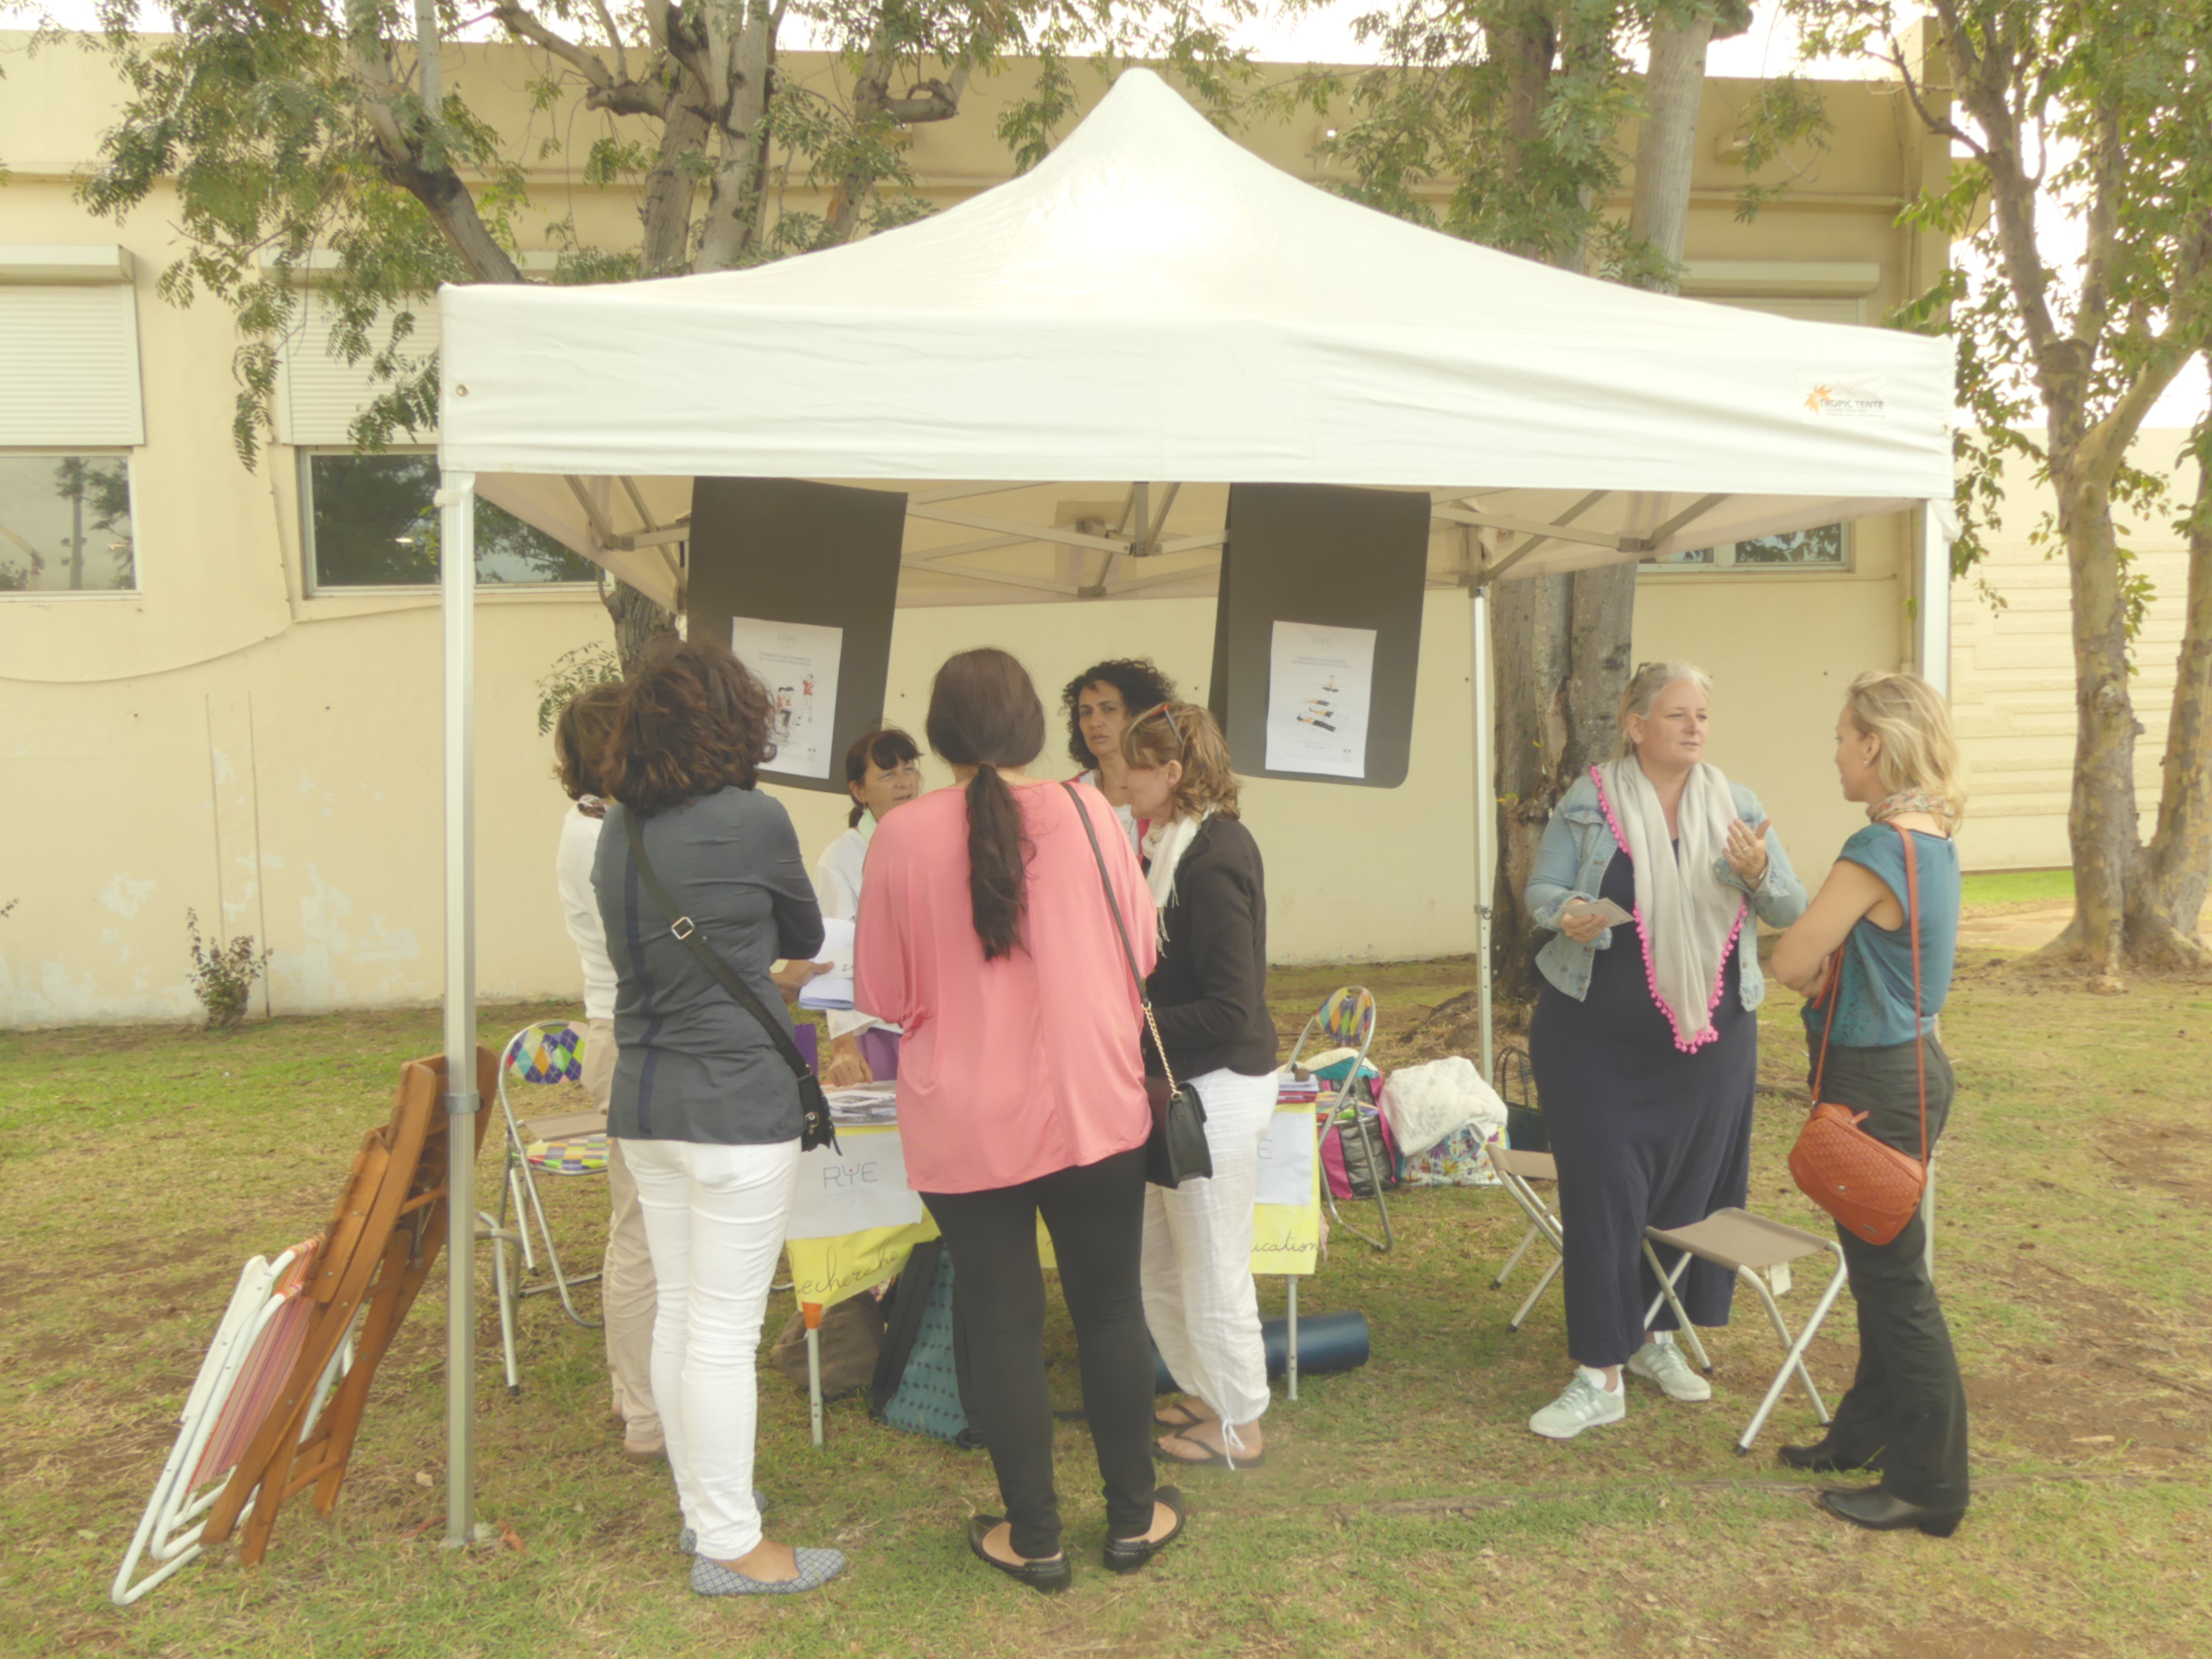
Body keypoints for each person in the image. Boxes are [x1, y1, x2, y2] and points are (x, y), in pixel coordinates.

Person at [855, 648, 1183, 1592]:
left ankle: (1035, 1537)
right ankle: (1132, 1519)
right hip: (1094, 1107)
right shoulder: (1093, 814)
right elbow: (1145, 949)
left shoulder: (904, 837)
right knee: (1110, 1310)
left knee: (1001, 1323)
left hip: (966, 1122)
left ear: (943, 734)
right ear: (1037, 725)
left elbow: (881, 990)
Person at [594, 638, 846, 1597]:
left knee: (682, 1316)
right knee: (721, 1332)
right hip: (734, 1107)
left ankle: (708, 1517)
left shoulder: (619, 827)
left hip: (649, 1105)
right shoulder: (755, 819)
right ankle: (734, 1544)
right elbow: (806, 936)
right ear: (736, 724)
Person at [1523, 661, 1807, 1441]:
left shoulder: (1737, 805)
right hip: (1592, 1041)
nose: (1693, 727)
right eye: (1677, 714)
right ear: (1636, 724)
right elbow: (1540, 894)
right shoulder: (1589, 803)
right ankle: (1598, 1372)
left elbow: (1790, 906)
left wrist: (1757, 875)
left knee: (1686, 1195)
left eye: (1703, 716)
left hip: (1709, 1044)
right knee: (1603, 1193)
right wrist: (1572, 911)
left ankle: (1655, 1337)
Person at [1771, 670, 1969, 1537]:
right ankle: (1866, 1435)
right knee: (1884, 1272)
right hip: (1914, 1065)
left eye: (1844, 738)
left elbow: (1791, 962)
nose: (1838, 753)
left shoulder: (1878, 848)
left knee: (1895, 1287)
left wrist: (1808, 948)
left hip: (1876, 1080)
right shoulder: (1935, 841)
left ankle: (1930, 1485)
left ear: (1875, 746)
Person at [1115, 702, 1280, 1473]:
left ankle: (1241, 1421)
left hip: (1215, 1089)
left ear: (1172, 774)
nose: (1120, 778)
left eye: (1131, 764)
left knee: (1211, 1266)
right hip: (1174, 1086)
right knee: (1160, 1259)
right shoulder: (1171, 848)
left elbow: (1230, 1007)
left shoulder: (1213, 860)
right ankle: (1208, 1390)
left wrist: (1126, 1021)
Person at [551, 681, 661, 1463]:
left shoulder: (609, 822)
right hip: (628, 1035)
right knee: (641, 1227)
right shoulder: (601, 832)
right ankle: (641, 1406)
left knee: (647, 1223)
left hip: (629, 1032)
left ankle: (642, 1392)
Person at [811, 725, 922, 1087]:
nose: (904, 782)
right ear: (859, 791)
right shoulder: (841, 858)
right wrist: (845, 1046)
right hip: (880, 1030)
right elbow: (834, 957)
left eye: (909, 768)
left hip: (943, 1027)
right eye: (888, 774)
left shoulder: (938, 840)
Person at [1060, 658, 1177, 851]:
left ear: (1137, 715)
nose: (1095, 722)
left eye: (1109, 709)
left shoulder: (1166, 794)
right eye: (1086, 713)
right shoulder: (1065, 798)